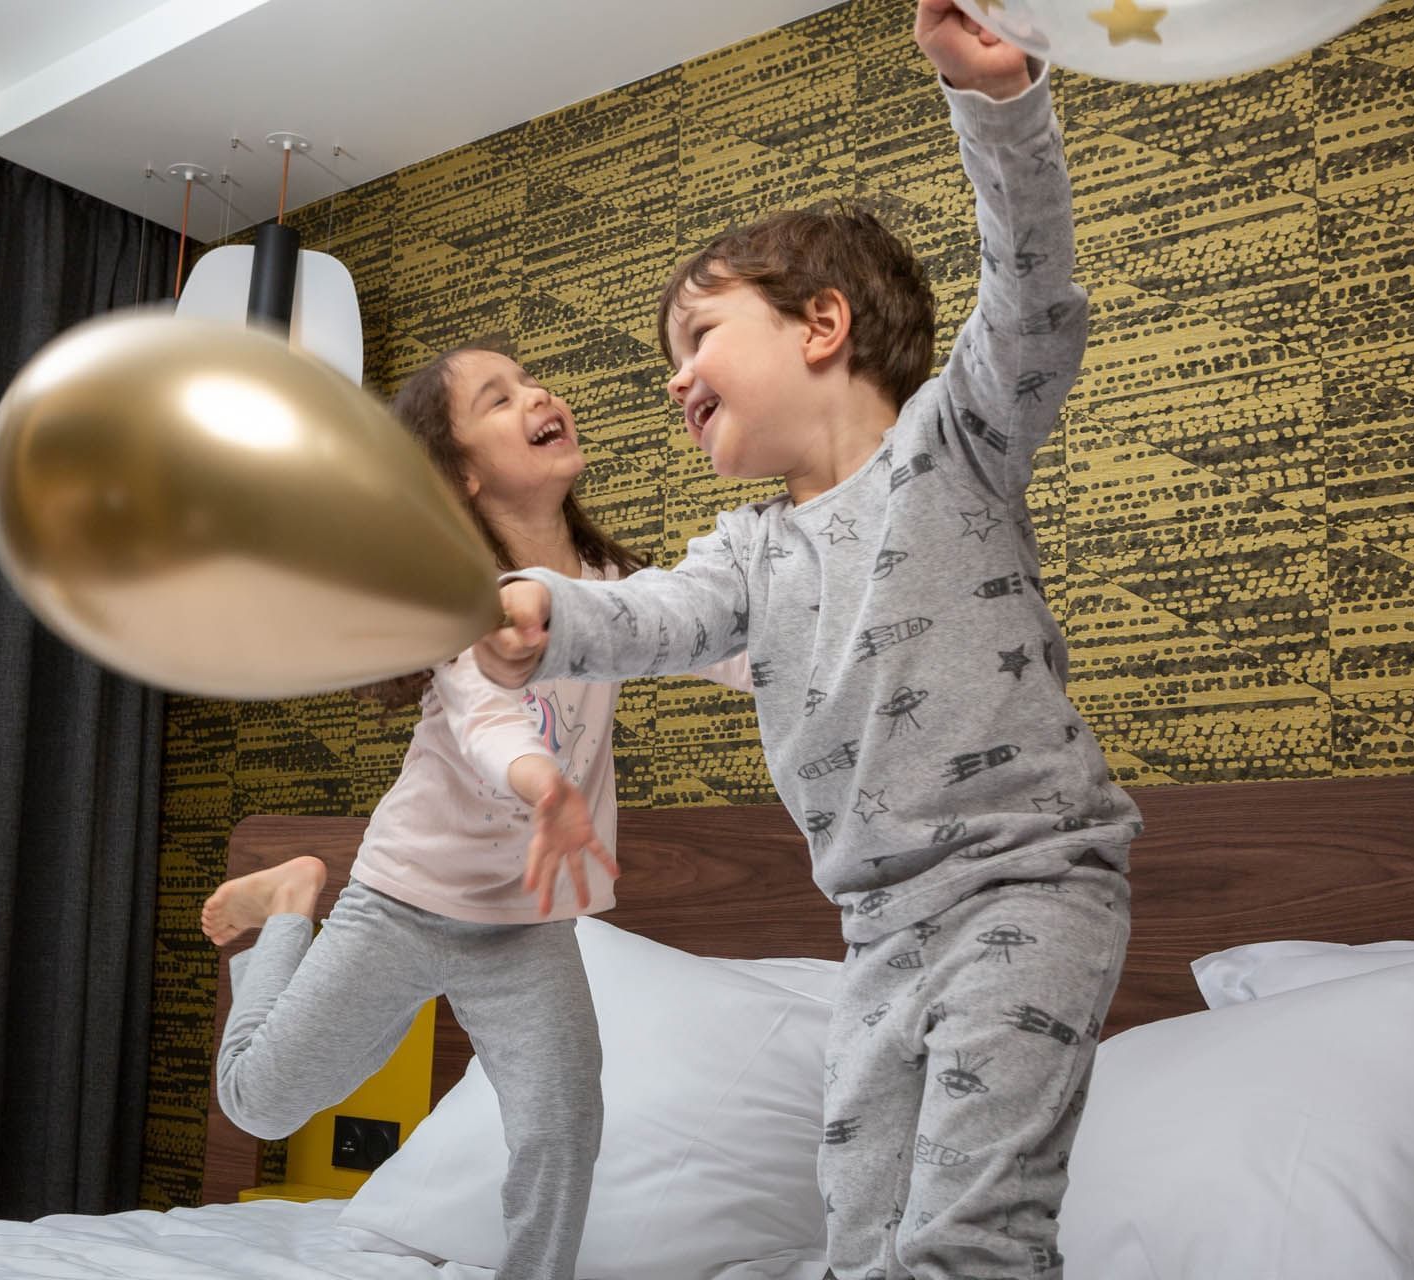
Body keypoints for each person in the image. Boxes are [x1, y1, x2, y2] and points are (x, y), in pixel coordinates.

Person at [474, 4, 1138, 1275]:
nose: (673, 380)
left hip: (1027, 881)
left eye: (698, 339)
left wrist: (998, 107)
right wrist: (540, 614)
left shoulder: (957, 446)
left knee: (967, 1235)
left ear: (821, 327)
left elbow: (1035, 296)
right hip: (877, 927)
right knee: (860, 1231)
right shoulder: (747, 550)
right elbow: (654, 614)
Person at [203, 345, 743, 1280]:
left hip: (523, 929)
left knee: (564, 1125)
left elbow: (724, 648)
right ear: (463, 474)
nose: (540, 393)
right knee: (258, 1103)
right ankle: (292, 903)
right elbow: (489, 719)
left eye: (534, 379)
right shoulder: (466, 602)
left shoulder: (612, 583)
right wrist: (546, 789)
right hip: (405, 900)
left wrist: (820, 662)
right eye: (501, 398)